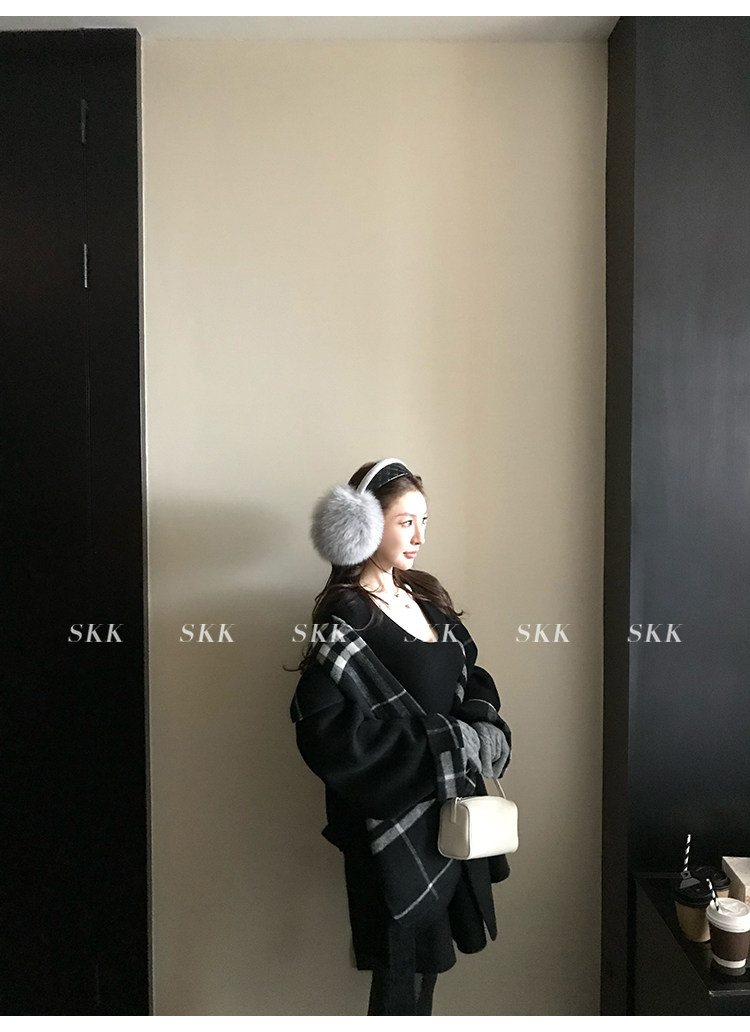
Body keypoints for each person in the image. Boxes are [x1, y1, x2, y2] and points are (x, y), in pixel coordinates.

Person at [289, 458, 512, 1016]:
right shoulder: (346, 621)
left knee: (427, 972)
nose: (419, 536)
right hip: (388, 826)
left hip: (450, 812)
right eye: (405, 522)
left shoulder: (426, 597)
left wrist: (483, 731)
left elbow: (473, 675)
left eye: (424, 522)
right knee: (398, 980)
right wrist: (443, 744)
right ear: (364, 527)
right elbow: (326, 734)